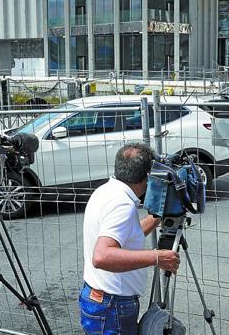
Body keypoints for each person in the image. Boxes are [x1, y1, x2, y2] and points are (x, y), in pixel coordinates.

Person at [79, 142, 180, 335]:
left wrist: (157, 217)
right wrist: (157, 257)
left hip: (101, 301)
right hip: (112, 307)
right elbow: (102, 256)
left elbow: (126, 235)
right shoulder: (121, 205)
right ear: (148, 175)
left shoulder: (107, 191)